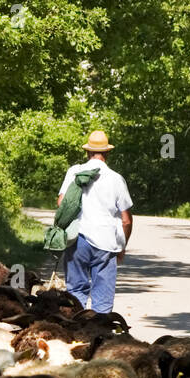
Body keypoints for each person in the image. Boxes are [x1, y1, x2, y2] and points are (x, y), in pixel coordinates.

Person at [56, 130, 133, 313]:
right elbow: (126, 220)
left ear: (87, 152)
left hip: (76, 240)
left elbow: (61, 203)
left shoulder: (75, 172)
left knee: (75, 293)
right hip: (106, 243)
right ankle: (100, 335)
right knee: (103, 300)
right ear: (107, 153)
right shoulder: (116, 179)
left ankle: (76, 335)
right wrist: (122, 246)